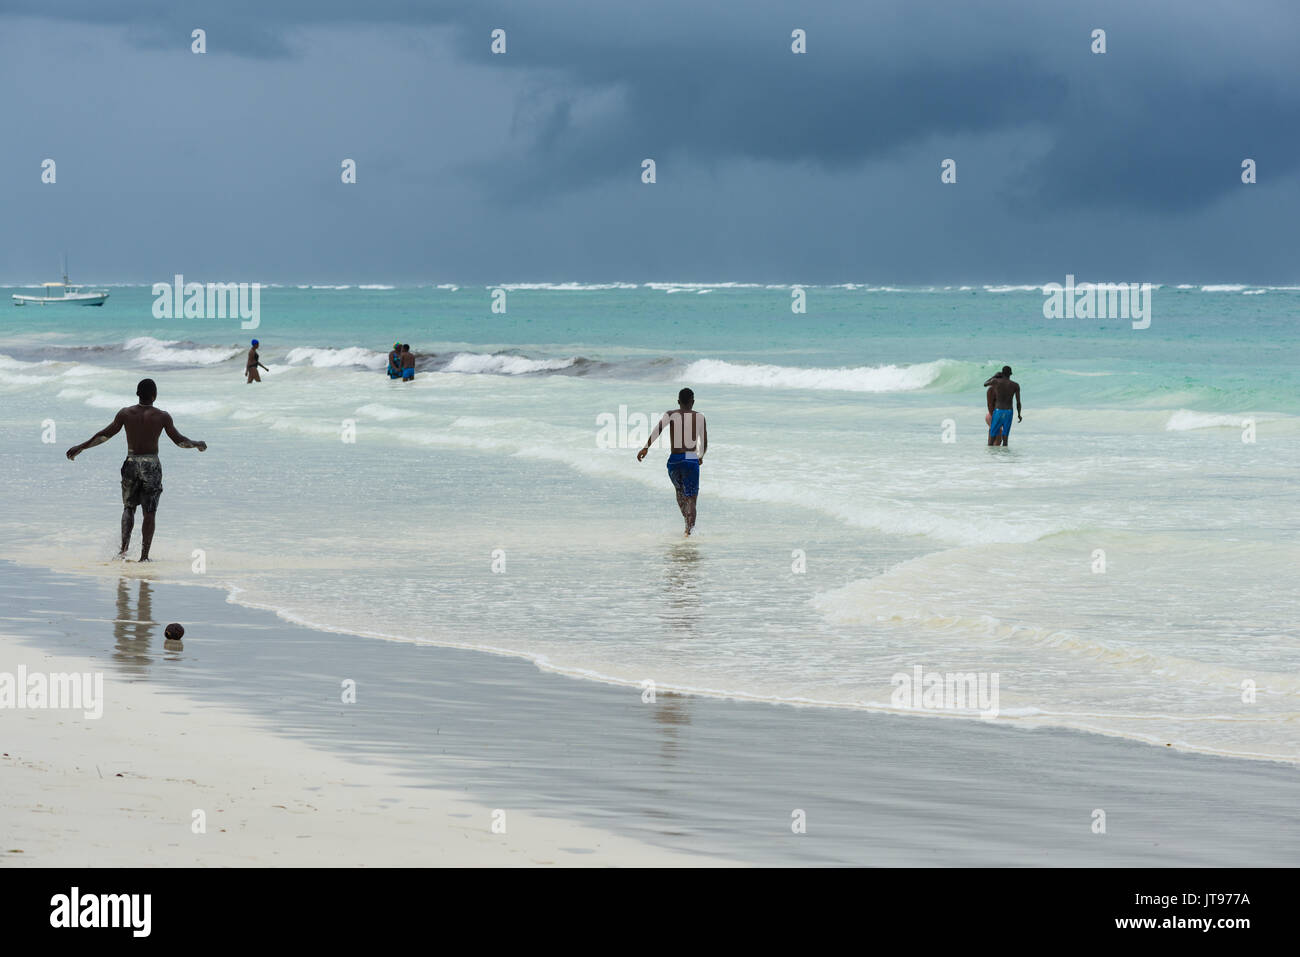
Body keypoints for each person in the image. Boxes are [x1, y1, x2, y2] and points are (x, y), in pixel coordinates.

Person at [65, 378, 207, 561]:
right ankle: (144, 557)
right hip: (151, 465)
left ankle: (123, 551)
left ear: (137, 394)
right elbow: (179, 441)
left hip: (131, 463)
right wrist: (197, 444)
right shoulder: (162, 416)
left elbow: (104, 435)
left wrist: (81, 447)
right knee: (149, 511)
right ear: (155, 395)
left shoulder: (125, 414)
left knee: (129, 508)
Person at [637, 388, 707, 535]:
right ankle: (689, 531)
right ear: (693, 402)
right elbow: (704, 441)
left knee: (680, 492)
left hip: (674, 459)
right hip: (690, 457)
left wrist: (645, 448)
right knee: (692, 498)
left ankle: (686, 523)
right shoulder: (699, 417)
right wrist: (700, 456)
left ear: (678, 401)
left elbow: (658, 430)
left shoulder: (671, 414)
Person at [983, 365, 1022, 447]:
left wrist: (994, 376)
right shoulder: (1015, 385)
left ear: (1002, 373)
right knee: (1005, 438)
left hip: (998, 411)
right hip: (1009, 411)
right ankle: (1004, 457)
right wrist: (1019, 414)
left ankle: (989, 455)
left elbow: (985, 384)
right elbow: (1018, 402)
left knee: (993, 434)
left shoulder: (995, 381)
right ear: (1010, 374)